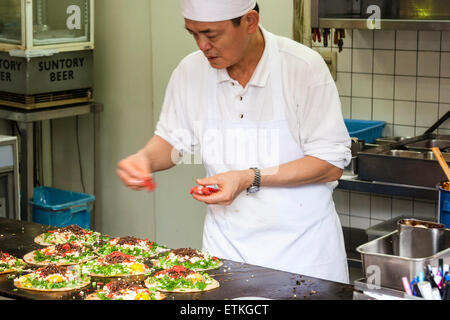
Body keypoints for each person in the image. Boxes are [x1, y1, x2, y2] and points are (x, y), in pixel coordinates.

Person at [117, 0, 352, 283]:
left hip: (303, 255)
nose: (202, 45)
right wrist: (144, 160)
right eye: (193, 34)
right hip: (226, 251)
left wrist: (247, 178)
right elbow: (171, 140)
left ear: (250, 22)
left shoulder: (302, 68)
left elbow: (329, 163)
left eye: (211, 35)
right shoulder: (190, 71)